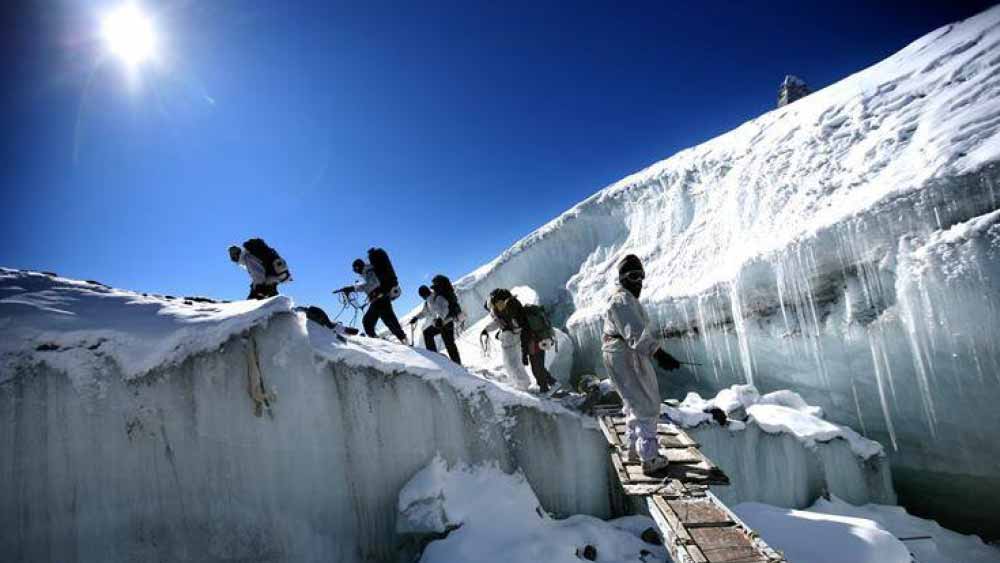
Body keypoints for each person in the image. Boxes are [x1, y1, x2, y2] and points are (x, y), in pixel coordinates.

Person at [602, 254, 681, 475]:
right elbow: (635, 333)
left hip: (619, 352)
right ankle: (650, 457)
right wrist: (658, 353)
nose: (638, 282)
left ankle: (634, 450)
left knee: (633, 401)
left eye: (641, 276)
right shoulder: (622, 300)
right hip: (625, 354)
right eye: (633, 276)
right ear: (622, 278)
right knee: (646, 402)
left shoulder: (623, 299)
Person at [337, 256, 408, 343]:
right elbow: (367, 285)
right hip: (377, 300)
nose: (356, 272)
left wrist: (352, 288)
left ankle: (402, 338)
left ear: (358, 267)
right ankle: (378, 342)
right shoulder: (366, 272)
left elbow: (371, 284)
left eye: (355, 270)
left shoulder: (369, 271)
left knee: (387, 320)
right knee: (369, 321)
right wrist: (352, 288)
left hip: (380, 298)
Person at [480, 289, 535, 392]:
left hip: (510, 338)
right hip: (517, 335)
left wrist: (487, 329)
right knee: (515, 361)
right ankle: (523, 382)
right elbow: (502, 322)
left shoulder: (501, 310)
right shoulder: (509, 307)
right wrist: (487, 329)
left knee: (511, 363)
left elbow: (499, 322)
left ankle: (522, 385)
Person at [410, 285, 462, 364]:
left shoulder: (437, 297)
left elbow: (445, 308)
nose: (423, 297)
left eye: (422, 295)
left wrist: (440, 318)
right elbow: (424, 313)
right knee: (427, 333)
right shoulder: (427, 302)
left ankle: (457, 364)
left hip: (447, 323)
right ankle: (434, 356)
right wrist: (416, 317)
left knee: (449, 344)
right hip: (439, 324)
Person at [518, 303, 559, 393]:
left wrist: (524, 354)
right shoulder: (531, 315)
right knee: (538, 365)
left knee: (537, 367)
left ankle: (546, 387)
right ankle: (551, 384)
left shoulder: (523, 319)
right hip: (541, 340)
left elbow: (525, 337)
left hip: (534, 343)